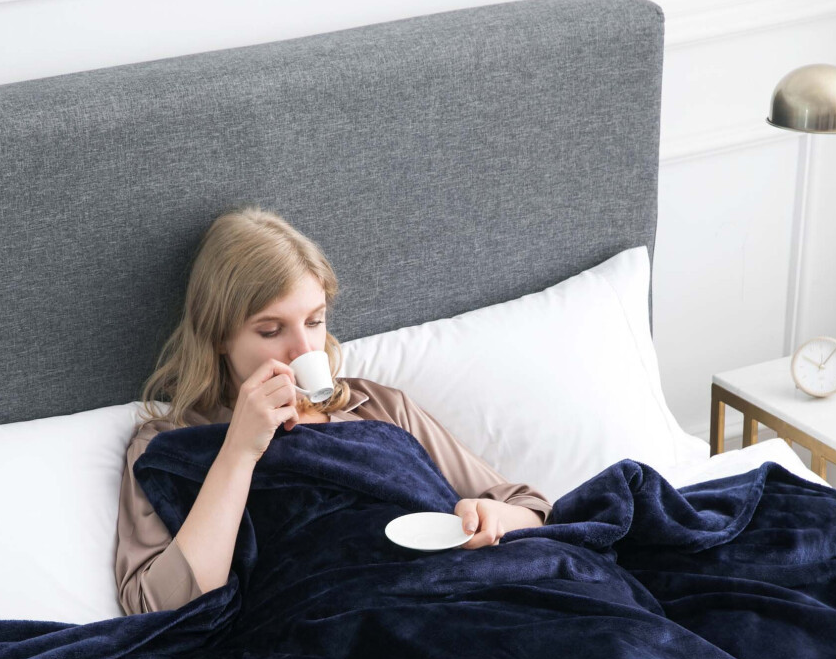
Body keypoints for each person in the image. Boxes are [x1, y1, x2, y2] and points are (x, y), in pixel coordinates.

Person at [115, 206, 551, 615]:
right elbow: (159, 610)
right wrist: (239, 452)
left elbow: (529, 508)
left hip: (463, 594)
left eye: (314, 321)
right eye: (271, 330)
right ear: (219, 337)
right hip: (337, 625)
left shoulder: (376, 405)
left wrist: (492, 518)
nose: (304, 349)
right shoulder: (166, 447)